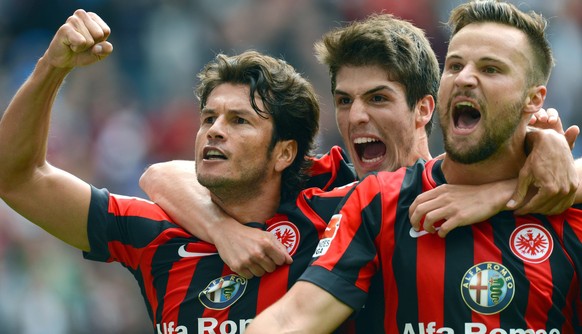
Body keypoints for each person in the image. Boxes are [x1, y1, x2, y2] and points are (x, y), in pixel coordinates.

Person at [140, 12, 580, 279]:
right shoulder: (327, 187)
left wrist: (507, 184)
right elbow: (162, 175)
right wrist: (222, 230)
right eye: (344, 101)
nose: (355, 117)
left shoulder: (480, 176)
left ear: (425, 109)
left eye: (377, 99)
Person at [0, 10, 359, 332]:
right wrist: (52, 66)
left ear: (284, 153)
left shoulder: (339, 217)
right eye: (208, 118)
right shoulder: (155, 232)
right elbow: (16, 178)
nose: (215, 129)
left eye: (239, 120)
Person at [246, 1, 582, 332]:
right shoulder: (378, 200)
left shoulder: (567, 211)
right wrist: (220, 227)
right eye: (454, 65)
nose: (465, 78)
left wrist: (501, 195)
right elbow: (291, 320)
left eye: (490, 69)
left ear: (534, 99)